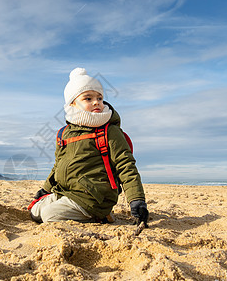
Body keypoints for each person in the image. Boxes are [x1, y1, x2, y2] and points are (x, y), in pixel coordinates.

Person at [29, 68, 148, 225]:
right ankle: (74, 209)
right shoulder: (64, 133)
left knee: (49, 215)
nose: (96, 102)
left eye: (99, 97)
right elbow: (58, 165)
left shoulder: (109, 130)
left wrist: (137, 200)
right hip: (66, 192)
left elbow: (126, 166)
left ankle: (100, 216)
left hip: (94, 197)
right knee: (35, 212)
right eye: (88, 98)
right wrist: (46, 189)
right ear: (72, 103)